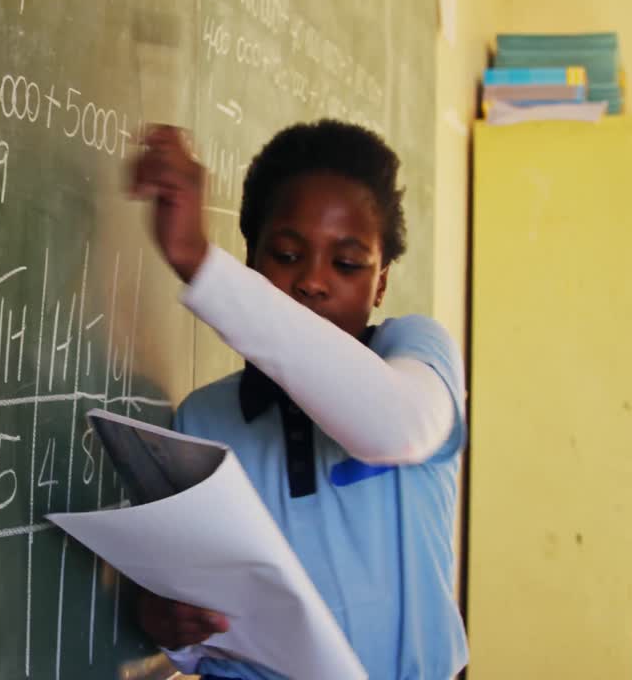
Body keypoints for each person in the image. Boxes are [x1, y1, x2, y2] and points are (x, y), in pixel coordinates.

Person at [129, 120, 468, 679]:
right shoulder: (201, 418)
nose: (313, 281)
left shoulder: (414, 357)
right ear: (253, 260)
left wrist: (197, 261)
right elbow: (199, 626)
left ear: (381, 283)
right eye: (287, 255)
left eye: (348, 264)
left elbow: (393, 425)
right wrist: (172, 625)